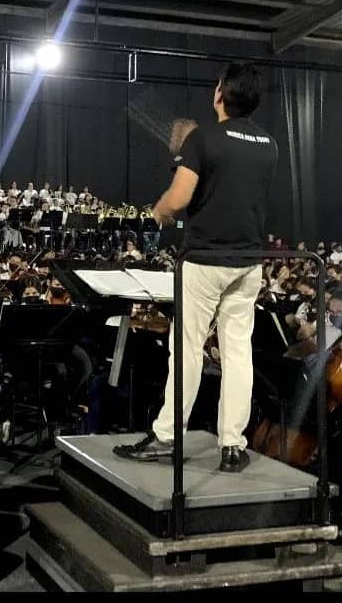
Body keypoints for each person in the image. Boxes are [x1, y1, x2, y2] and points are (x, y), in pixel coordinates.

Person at [116, 63, 277, 474]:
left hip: (205, 259)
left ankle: (168, 436)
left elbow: (179, 198)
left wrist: (159, 211)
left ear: (220, 93)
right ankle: (232, 445)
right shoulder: (267, 143)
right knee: (238, 352)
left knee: (185, 348)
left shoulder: (204, 138)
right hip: (248, 262)